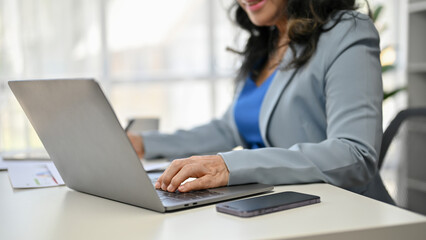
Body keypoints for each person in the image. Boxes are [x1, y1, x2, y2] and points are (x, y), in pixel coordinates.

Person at [128, 0, 395, 204]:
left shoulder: (346, 30)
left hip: (346, 211)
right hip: (279, 207)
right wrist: (144, 143)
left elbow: (355, 154)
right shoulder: (266, 44)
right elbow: (228, 129)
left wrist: (230, 165)